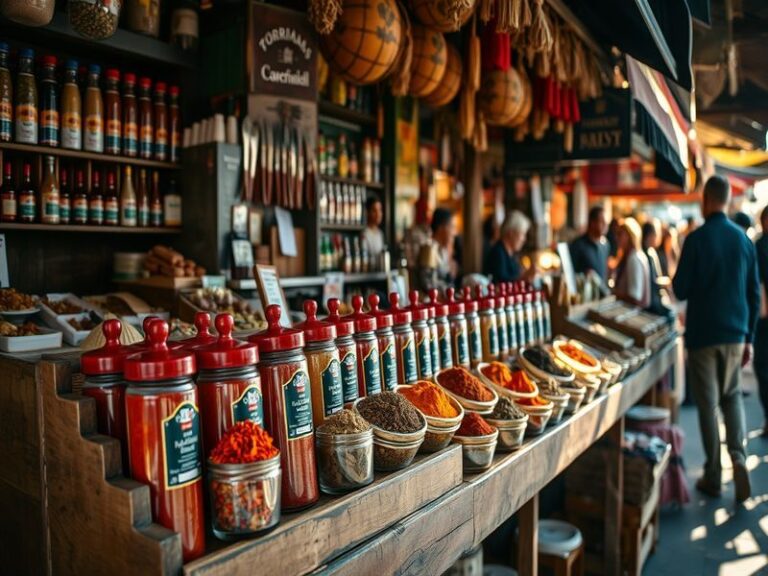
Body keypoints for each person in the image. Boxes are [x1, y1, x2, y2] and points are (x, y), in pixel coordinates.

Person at [672, 175, 759, 502]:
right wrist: (748, 337)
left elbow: (680, 289)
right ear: (727, 200)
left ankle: (713, 475)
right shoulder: (744, 241)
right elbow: (753, 294)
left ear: (705, 200)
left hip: (704, 334)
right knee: (732, 396)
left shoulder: (696, 240)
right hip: (737, 333)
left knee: (707, 405)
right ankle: (738, 456)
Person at [753, 205, 768, 437]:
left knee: (763, 367)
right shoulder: (757, 245)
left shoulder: (759, 245)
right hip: (763, 316)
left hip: (764, 316)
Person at [417, 208, 458, 291]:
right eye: (451, 227)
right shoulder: (429, 248)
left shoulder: (443, 250)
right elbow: (428, 284)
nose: (454, 232)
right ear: (441, 228)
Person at [613, 218, 650, 308]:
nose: (616, 238)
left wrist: (615, 294)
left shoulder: (634, 258)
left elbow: (635, 297)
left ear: (630, 236)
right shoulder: (637, 255)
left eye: (620, 234)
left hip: (632, 314)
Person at [487, 210, 533, 283]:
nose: (524, 239)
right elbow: (501, 283)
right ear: (511, 233)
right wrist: (524, 277)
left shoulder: (512, 254)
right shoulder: (498, 252)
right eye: (522, 234)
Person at [569, 206, 610, 282]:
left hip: (602, 292)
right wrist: (583, 275)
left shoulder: (605, 245)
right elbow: (570, 273)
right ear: (592, 223)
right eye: (602, 221)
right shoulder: (578, 245)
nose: (605, 225)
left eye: (606, 222)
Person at [641, 221, 666, 314]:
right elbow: (654, 280)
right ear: (650, 235)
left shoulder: (650, 252)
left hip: (651, 299)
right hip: (649, 301)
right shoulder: (646, 254)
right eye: (656, 234)